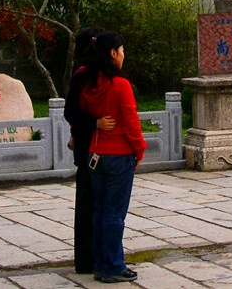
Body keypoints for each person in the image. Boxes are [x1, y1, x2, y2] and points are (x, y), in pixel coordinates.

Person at [80, 31, 146, 284]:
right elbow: (131, 123)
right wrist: (139, 150)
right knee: (114, 214)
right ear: (112, 53)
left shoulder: (90, 85)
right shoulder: (120, 85)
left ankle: (101, 263)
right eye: (122, 50)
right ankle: (113, 266)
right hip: (119, 156)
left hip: (96, 155)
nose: (123, 55)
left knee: (100, 212)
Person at [64, 27, 116, 274]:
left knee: (102, 204)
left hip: (101, 147)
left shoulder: (99, 74)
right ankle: (86, 260)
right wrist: (92, 124)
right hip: (87, 147)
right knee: (87, 204)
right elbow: (70, 113)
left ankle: (101, 256)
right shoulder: (82, 75)